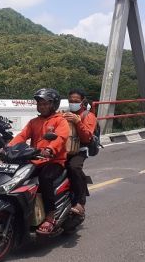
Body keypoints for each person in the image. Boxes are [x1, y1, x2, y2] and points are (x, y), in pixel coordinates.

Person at [5, 88, 69, 235]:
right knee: (18, 178)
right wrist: (8, 147)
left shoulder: (60, 121)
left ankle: (50, 215)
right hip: (35, 160)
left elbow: (61, 138)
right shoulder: (34, 122)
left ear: (54, 105)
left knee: (44, 178)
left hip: (54, 161)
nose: (42, 106)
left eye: (45, 103)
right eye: (40, 104)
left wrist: (50, 149)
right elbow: (22, 136)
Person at [62, 88, 97, 217]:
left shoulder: (88, 116)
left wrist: (77, 122)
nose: (73, 103)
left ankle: (80, 202)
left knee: (74, 167)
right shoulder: (64, 114)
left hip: (80, 149)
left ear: (82, 101)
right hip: (64, 149)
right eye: (71, 100)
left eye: (76, 101)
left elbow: (87, 137)